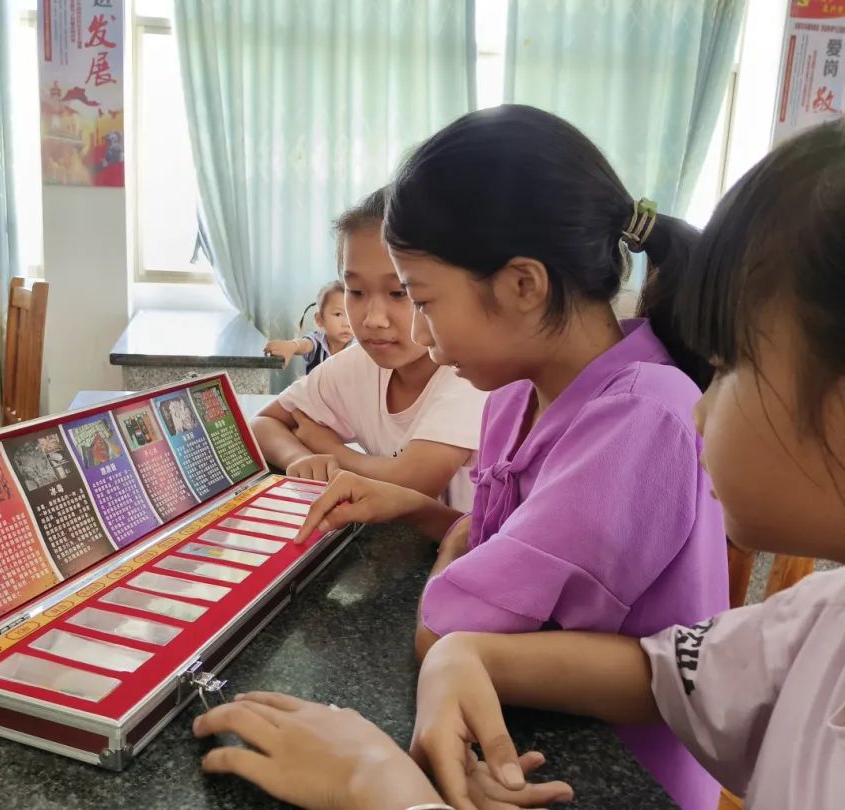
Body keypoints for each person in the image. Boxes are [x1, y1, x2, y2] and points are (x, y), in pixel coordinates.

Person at [191, 119, 845, 810]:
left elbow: (450, 620)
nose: (703, 411)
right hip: (525, 730)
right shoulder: (513, 396)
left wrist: (382, 779)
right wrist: (430, 519)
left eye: (421, 300)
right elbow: (494, 572)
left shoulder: (644, 417)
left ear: (524, 285)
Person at [251, 189, 487, 510]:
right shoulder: (361, 364)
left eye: (399, 292)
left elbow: (413, 484)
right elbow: (264, 423)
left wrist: (330, 449)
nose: (373, 319)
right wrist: (301, 458)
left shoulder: (472, 374)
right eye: (356, 291)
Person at [265, 280, 356, 373]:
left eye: (353, 315)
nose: (347, 324)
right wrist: (291, 346)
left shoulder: (359, 347)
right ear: (319, 319)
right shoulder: (317, 341)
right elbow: (304, 345)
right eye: (338, 314)